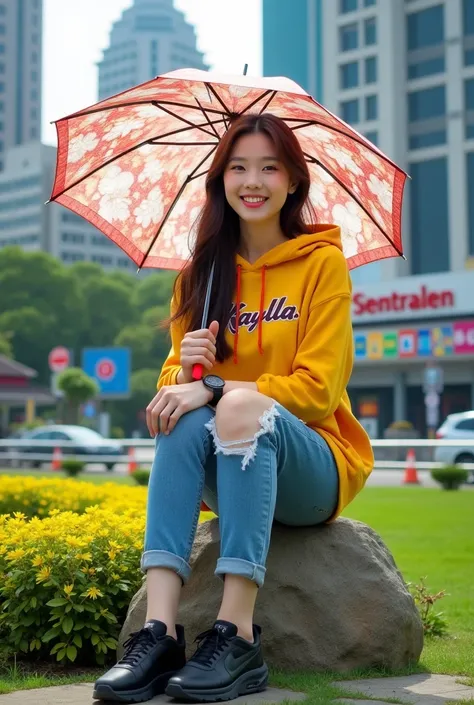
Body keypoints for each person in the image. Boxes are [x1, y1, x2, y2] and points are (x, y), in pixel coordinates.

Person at [93, 113, 374, 704]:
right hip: (230, 465)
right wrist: (188, 365)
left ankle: (237, 634)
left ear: (294, 181)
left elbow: (319, 390)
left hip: (311, 465)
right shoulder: (200, 273)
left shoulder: (321, 266)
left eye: (270, 167)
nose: (253, 181)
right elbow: (173, 391)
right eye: (238, 167)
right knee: (186, 412)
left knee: (236, 406)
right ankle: (160, 633)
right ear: (220, 180)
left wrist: (219, 388)